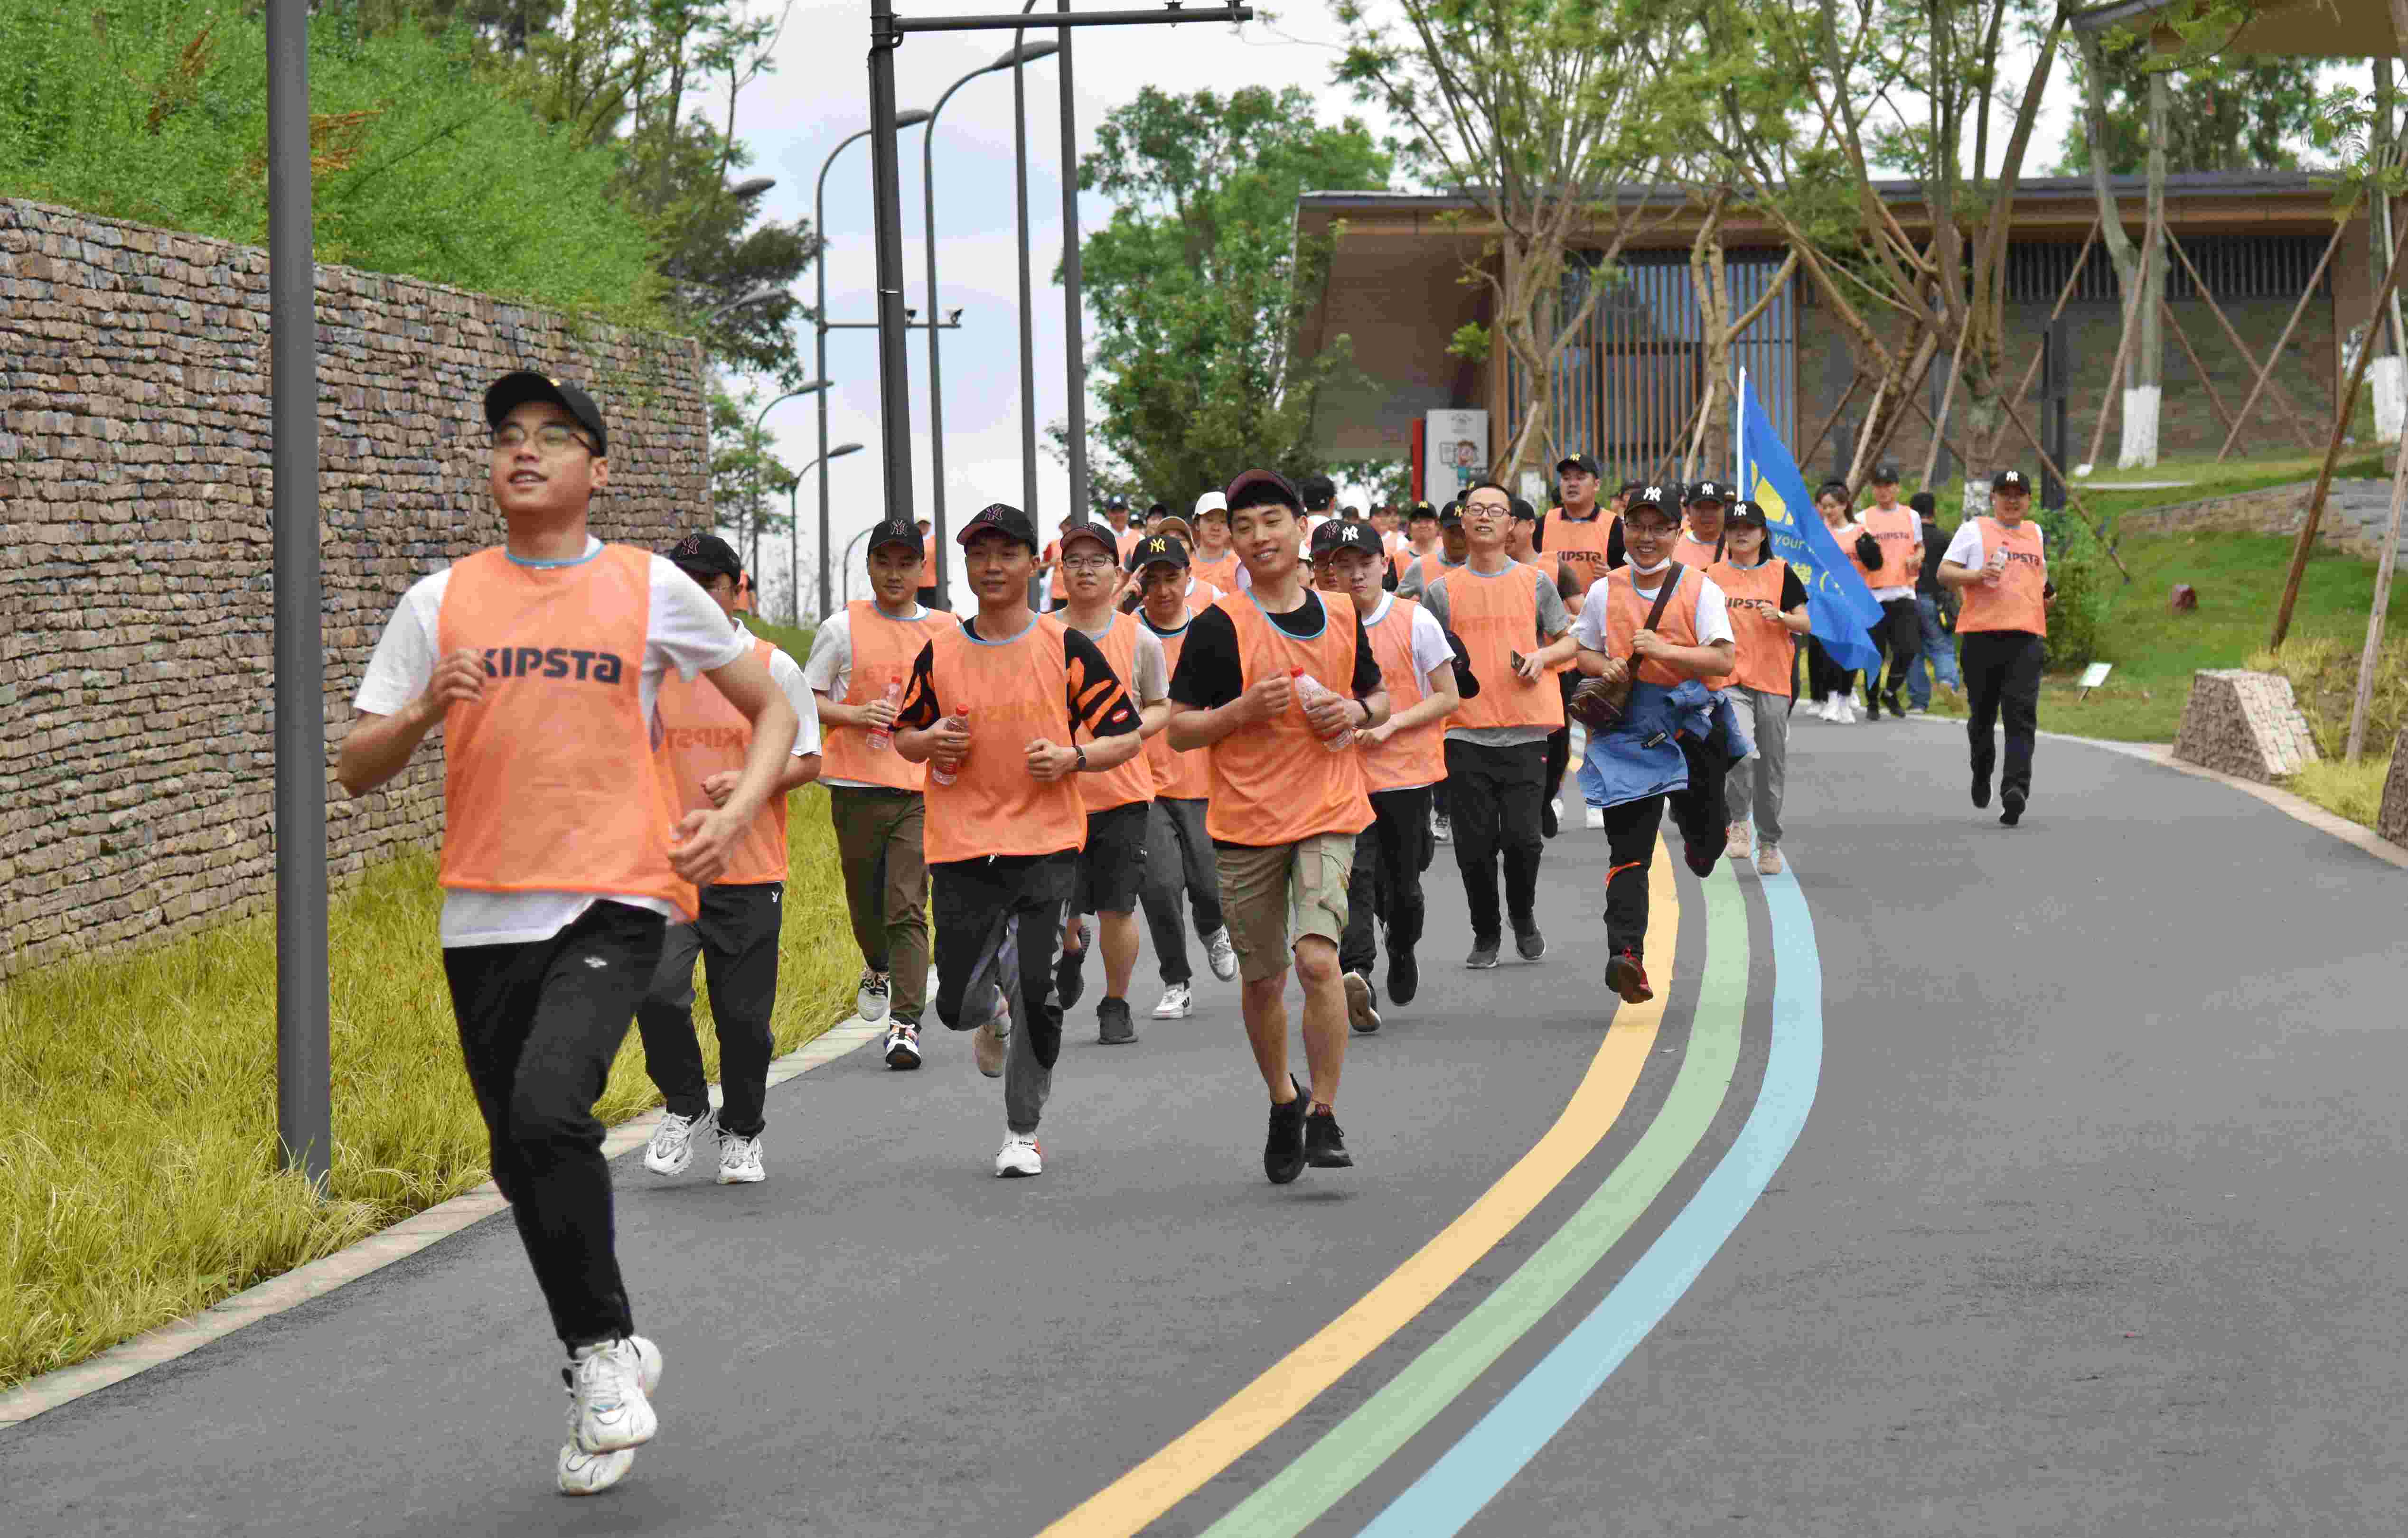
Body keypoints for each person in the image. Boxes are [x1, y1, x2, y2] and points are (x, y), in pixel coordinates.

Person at [337, 371, 800, 1496]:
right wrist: (423, 708)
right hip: (483, 913)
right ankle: (614, 1346)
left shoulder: (649, 587)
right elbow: (355, 767)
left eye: (552, 436)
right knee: (519, 1157)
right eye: (508, 435)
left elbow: (776, 707)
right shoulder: (439, 601)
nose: (525, 451)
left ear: (596, 467)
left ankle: (595, 1356)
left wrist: (734, 810)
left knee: (552, 1112)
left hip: (616, 896)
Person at [892, 503, 1144, 1177]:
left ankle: (1022, 1131)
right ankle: (990, 1013)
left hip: (1046, 845)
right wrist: (930, 740)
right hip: (962, 847)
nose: (993, 566)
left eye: (1007, 554)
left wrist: (1073, 759)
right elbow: (905, 736)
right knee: (954, 1006)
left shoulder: (1065, 646)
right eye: (980, 555)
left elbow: (1125, 734)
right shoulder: (941, 649)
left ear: (1035, 564)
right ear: (965, 566)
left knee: (1040, 990)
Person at [1166, 469, 1389, 1183]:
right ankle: (1282, 1100)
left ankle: (1324, 1112)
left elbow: (1378, 697)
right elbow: (1179, 729)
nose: (1259, 537)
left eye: (1272, 521)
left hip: (1328, 810)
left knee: (1319, 961)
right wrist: (1240, 712)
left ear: (1300, 528)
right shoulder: (1218, 626)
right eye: (1244, 526)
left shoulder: (1342, 613)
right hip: (1247, 822)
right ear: (1231, 540)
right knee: (1263, 981)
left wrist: (1355, 712)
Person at [634, 534, 824, 1189]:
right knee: (655, 992)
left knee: (743, 1021)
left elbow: (809, 759)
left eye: (709, 584)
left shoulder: (772, 666)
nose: (696, 597)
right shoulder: (647, 671)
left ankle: (741, 1131)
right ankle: (685, 1103)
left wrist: (750, 781)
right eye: (682, 585)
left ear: (736, 589)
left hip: (749, 869)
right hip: (667, 869)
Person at [803, 521, 963, 1068]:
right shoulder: (840, 628)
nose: (895, 574)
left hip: (920, 788)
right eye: (884, 562)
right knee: (865, 905)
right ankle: (876, 965)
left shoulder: (947, 629)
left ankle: (906, 1025)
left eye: (905, 563)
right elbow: (806, 698)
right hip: (855, 787)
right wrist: (855, 714)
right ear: (869, 566)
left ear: (922, 569)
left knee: (907, 904)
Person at [1572, 488, 1738, 1006]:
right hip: (1627, 731)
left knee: (1706, 842)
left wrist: (1665, 650)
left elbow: (1724, 660)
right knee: (1628, 849)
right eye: (1636, 526)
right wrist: (1607, 666)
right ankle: (1626, 955)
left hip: (1690, 727)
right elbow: (1582, 651)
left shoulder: (1700, 588)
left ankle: (1703, 837)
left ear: (1676, 532)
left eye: (1658, 528)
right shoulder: (1604, 590)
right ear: (1623, 528)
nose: (1646, 538)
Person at [1419, 483, 1580, 969]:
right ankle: (1486, 932)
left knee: (1523, 840)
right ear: (1463, 521)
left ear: (1512, 523)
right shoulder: (1440, 591)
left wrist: (1542, 657)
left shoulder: (1536, 582)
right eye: (1476, 509)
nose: (1485, 517)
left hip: (1527, 731)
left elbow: (1569, 640)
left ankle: (1523, 916)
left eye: (1496, 510)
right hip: (1464, 731)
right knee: (1474, 845)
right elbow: (1424, 658)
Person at [1317, 519, 1459, 1027]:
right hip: (1343, 777)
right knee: (1353, 877)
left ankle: (1401, 946)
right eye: (1344, 566)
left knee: (1404, 888)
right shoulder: (1319, 623)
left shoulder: (1414, 620)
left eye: (1365, 564)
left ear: (1384, 565)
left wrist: (1392, 723)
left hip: (1405, 778)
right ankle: (1358, 971)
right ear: (1330, 572)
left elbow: (1448, 696)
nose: (1356, 575)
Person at [1049, 514, 1173, 1045]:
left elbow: (1162, 705)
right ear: (1060, 571)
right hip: (1056, 792)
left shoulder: (1139, 640)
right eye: (1074, 560)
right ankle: (1070, 949)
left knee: (1118, 906)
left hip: (1123, 794)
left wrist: (1127, 736)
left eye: (1097, 560)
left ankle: (1116, 1003)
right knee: (1062, 906)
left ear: (1117, 573)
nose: (1085, 570)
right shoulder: (1041, 635)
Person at [1130, 533, 1240, 1020]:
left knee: (1208, 886)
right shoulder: (1127, 633)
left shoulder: (1212, 628)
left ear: (1188, 577)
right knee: (1159, 887)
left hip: (1205, 780)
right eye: (1151, 580)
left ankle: (1213, 927)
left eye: (1171, 578)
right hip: (1144, 785)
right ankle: (1176, 980)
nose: (1162, 590)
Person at [1937, 468, 2055, 827]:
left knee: (2021, 716)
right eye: (2005, 494)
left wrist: (2046, 597)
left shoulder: (2035, 532)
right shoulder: (1974, 530)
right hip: (1982, 638)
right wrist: (1976, 576)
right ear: (1993, 498)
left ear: (2029, 500)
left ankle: (2015, 789)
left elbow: (2039, 578)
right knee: (1983, 718)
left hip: (2025, 639)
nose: (2012, 500)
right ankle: (1981, 770)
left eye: (2019, 494)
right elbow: (1944, 572)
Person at [1704, 502, 1809, 876]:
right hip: (1729, 680)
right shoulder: (1711, 576)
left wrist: (1779, 616)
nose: (1741, 533)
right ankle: (1738, 821)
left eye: (1749, 527)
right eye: (1733, 527)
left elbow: (1804, 623)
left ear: (1763, 534)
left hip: (1772, 681)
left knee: (1771, 767)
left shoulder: (1781, 573)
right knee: (1740, 752)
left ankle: (1769, 842)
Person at [1854, 465, 1923, 719]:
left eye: (1888, 485)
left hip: (1903, 592)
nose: (1883, 491)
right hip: (1872, 595)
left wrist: (1917, 557)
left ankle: (1891, 692)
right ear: (1873, 489)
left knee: (1908, 648)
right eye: (1878, 486)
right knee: (1875, 653)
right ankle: (1872, 702)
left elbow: (1920, 546)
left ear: (1897, 488)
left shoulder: (1911, 516)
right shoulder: (1862, 519)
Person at [1808, 481, 1863, 722]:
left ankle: (1845, 698)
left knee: (1850, 652)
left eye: (1832, 506)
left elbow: (1872, 565)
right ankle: (1830, 699)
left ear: (1844, 506)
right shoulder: (1819, 534)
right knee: (1829, 652)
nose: (1828, 511)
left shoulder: (1860, 532)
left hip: (1854, 600)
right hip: (1826, 599)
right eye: (1824, 506)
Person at [1906, 490, 1963, 712]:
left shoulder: (1909, 540)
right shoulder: (1944, 538)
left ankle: (1918, 701)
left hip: (1908, 599)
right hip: (1936, 602)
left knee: (1913, 651)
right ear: (1934, 511)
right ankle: (1948, 682)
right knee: (1941, 646)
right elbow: (1955, 573)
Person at [1190, 491, 1243, 595]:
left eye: (1223, 522)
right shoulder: (1185, 566)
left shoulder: (1240, 566)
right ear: (1197, 524)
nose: (1216, 528)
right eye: (1209, 520)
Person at [913, 517, 942, 609]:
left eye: (925, 524)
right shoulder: (912, 540)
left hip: (933, 585)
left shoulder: (936, 541)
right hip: (915, 585)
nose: (923, 527)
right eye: (921, 524)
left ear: (930, 526)